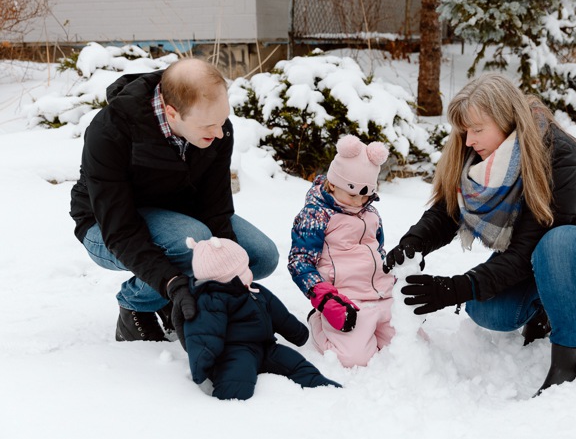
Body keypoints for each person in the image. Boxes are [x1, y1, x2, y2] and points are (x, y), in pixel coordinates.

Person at [383, 73, 576, 396]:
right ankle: (548, 305)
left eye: (477, 129)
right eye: (464, 131)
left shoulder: (561, 158)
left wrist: (453, 289)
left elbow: (526, 251)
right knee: (486, 309)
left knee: (557, 245)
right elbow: (448, 212)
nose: (469, 140)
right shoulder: (483, 156)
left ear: (505, 120)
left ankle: (566, 363)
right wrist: (412, 244)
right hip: (537, 256)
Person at [69, 58, 279, 342]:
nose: (219, 133)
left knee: (259, 256)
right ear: (171, 112)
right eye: (209, 125)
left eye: (222, 120)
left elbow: (215, 209)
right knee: (191, 242)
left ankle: (177, 296)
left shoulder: (215, 129)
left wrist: (229, 277)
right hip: (105, 227)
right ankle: (136, 305)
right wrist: (172, 283)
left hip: (180, 219)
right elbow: (120, 229)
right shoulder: (111, 132)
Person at [180, 236, 340, 400]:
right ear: (224, 279)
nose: (250, 274)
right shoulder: (211, 301)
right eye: (243, 272)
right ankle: (228, 411)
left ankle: (323, 388)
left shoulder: (254, 290)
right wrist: (200, 367)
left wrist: (297, 332)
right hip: (235, 352)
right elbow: (204, 335)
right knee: (237, 382)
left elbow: (279, 314)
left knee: (296, 363)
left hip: (267, 347)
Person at [288, 135, 396, 367]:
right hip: (345, 299)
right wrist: (323, 298)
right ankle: (318, 321)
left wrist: (395, 274)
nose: (359, 201)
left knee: (406, 346)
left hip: (382, 295)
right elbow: (300, 261)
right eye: (352, 194)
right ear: (334, 183)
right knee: (355, 359)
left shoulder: (372, 213)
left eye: (365, 194)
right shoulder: (316, 214)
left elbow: (379, 252)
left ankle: (376, 326)